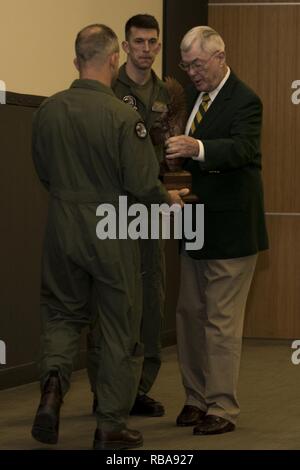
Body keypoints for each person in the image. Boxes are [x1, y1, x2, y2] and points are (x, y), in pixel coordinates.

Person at [31, 23, 186, 450]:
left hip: (61, 227)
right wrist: (166, 200)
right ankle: (110, 425)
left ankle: (51, 389)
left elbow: (43, 171)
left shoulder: (48, 110)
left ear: (76, 61)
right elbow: (141, 183)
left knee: (62, 314)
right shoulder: (123, 117)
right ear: (114, 58)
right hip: (112, 228)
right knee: (119, 325)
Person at [165, 26, 269, 435]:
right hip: (194, 226)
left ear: (220, 57)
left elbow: (243, 148)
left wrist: (198, 149)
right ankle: (196, 398)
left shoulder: (246, 100)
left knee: (221, 321)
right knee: (189, 315)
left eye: (197, 64)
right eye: (185, 64)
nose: (191, 72)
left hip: (232, 230)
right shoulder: (189, 99)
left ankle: (222, 407)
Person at [87, 14, 169, 418]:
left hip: (151, 208)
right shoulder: (108, 87)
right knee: (112, 303)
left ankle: (139, 387)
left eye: (153, 42)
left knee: (151, 299)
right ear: (124, 46)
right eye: (138, 42)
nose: (147, 49)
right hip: (114, 210)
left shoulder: (167, 90)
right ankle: (106, 388)